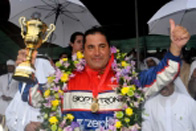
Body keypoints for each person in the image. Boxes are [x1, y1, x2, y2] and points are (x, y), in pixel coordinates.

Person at [16, 19, 190, 130]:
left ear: (110, 49)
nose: (97, 52)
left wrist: (175, 48)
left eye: (102, 46)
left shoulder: (128, 81)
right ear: (83, 51)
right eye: (90, 47)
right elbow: (34, 97)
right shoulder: (65, 80)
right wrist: (25, 69)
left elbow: (162, 75)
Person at [6, 56, 55, 131]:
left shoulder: (55, 94)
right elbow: (9, 117)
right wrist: (24, 127)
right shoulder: (22, 92)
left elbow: (60, 120)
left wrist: (44, 126)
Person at [0, 59, 18, 130]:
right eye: (8, 67)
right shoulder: (1, 77)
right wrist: (1, 95)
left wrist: (11, 96)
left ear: (14, 67)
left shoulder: (17, 78)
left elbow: (18, 90)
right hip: (2, 101)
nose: (9, 68)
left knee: (9, 121)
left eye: (11, 66)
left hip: (12, 102)